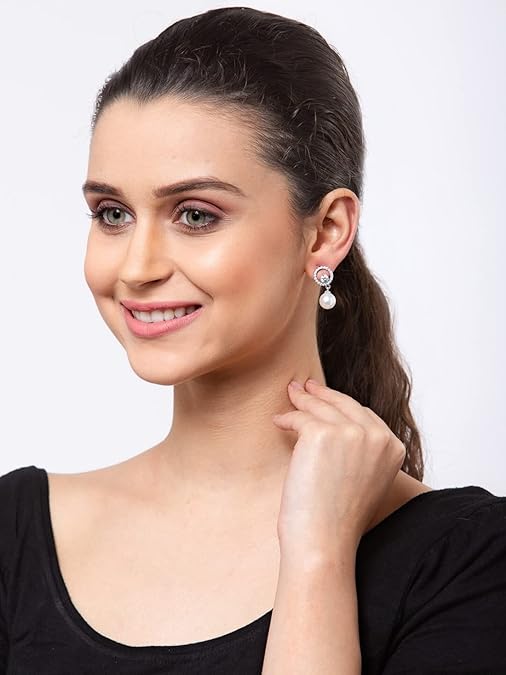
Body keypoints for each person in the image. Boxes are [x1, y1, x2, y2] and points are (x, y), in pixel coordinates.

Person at [1, 6, 505, 673]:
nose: (136, 267)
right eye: (113, 213)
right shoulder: (11, 532)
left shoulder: (468, 559)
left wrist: (317, 552)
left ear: (326, 232)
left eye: (195, 215)